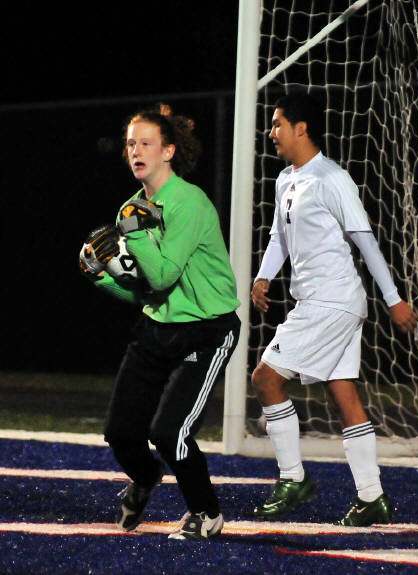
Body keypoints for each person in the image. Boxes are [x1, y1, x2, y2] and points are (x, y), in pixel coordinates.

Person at [251, 92, 418, 526]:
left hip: (331, 302)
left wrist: (394, 299)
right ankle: (372, 498)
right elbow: (278, 237)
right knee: (343, 395)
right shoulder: (285, 179)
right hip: (325, 302)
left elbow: (366, 241)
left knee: (265, 378)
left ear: (301, 128)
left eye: (277, 124)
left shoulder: (333, 178)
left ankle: (293, 478)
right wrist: (263, 277)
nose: (271, 132)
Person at [79, 104, 240, 540]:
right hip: (157, 326)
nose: (136, 151)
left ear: (168, 151)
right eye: (131, 143)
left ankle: (207, 513)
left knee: (170, 432)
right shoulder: (130, 209)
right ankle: (146, 477)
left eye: (146, 143)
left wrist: (133, 234)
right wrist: (101, 278)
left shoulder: (189, 202)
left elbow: (165, 274)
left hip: (207, 329)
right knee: (120, 433)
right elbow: (145, 291)